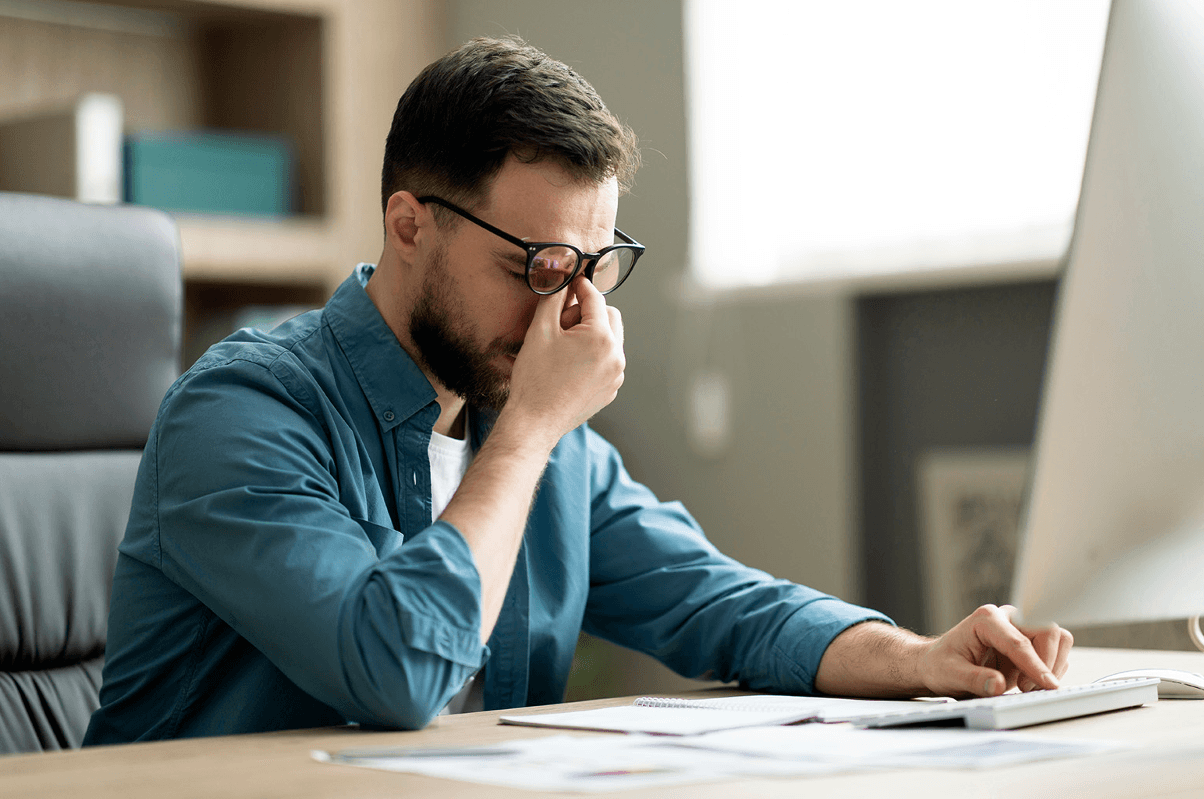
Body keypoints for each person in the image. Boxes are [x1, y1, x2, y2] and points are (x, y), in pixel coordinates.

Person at [84, 36, 1072, 744]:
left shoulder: (532, 430)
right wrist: (530, 433)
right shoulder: (241, 415)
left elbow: (726, 605)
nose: (573, 313)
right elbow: (393, 669)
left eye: (594, 267)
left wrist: (919, 658)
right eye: (536, 267)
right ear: (408, 224)